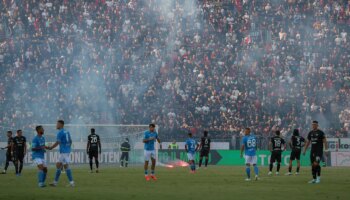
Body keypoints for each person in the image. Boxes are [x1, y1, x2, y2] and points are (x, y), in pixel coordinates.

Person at [48, 120, 75, 187]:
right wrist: (68, 148)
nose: (56, 125)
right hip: (66, 151)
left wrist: (51, 147)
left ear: (61, 125)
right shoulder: (67, 131)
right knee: (60, 165)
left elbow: (57, 142)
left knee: (62, 166)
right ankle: (55, 183)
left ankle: (71, 183)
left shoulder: (60, 132)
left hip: (64, 152)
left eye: (57, 124)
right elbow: (70, 141)